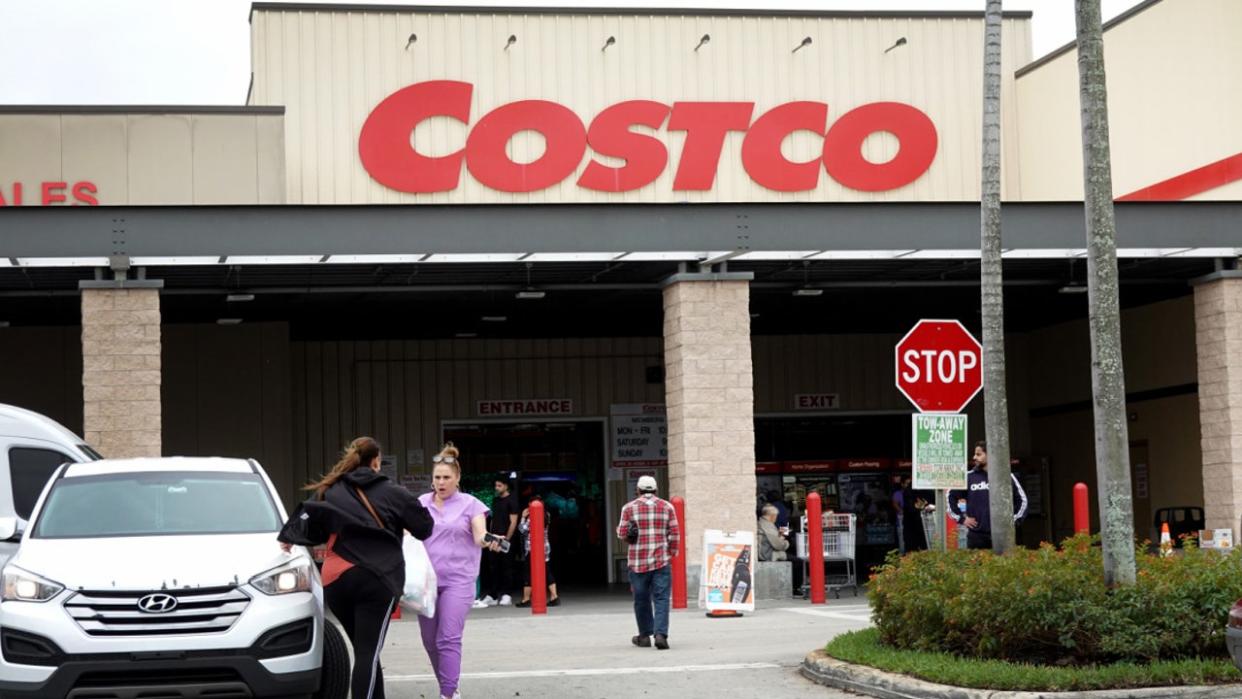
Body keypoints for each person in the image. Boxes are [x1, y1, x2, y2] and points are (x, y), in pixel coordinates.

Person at [278, 437, 434, 699]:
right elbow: (424, 528)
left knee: (366, 653)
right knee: (367, 654)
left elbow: (316, 528)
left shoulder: (331, 489)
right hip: (376, 577)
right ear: (376, 461)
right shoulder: (393, 493)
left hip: (335, 580)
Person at [418, 442, 502, 699]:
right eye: (437, 478)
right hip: (426, 581)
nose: (441, 483)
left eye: (446, 478)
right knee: (430, 642)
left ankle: (447, 693)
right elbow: (406, 535)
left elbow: (479, 535)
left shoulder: (471, 504)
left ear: (457, 479)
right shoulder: (421, 503)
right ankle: (450, 688)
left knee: (448, 638)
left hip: (459, 580)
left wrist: (490, 539)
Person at [616, 475, 680, 651]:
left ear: (638, 490)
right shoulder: (667, 507)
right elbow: (674, 533)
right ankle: (661, 635)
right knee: (661, 598)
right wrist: (672, 552)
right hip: (661, 561)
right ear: (656, 490)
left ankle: (644, 636)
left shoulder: (629, 508)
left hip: (637, 562)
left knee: (641, 599)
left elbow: (622, 533)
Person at [948, 442, 1029, 550]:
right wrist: (961, 519)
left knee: (1003, 566)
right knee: (976, 567)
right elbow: (950, 496)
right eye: (975, 454)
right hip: (976, 537)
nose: (974, 457)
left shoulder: (1006, 476)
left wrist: (1013, 520)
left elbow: (1022, 500)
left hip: (1003, 536)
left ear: (990, 454)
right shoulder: (969, 477)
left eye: (978, 454)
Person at [480, 472, 519, 607]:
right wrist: (489, 536)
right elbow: (493, 519)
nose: (496, 488)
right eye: (495, 485)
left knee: (507, 567)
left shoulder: (512, 501)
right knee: (493, 567)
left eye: (499, 485)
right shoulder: (496, 501)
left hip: (506, 539)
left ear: (506, 486)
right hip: (493, 538)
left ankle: (507, 594)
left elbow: (513, 522)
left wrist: (507, 539)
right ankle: (493, 595)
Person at [515, 496, 560, 607]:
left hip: (532, 548)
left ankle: (526, 599)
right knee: (547, 571)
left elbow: (522, 529)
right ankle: (554, 596)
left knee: (527, 573)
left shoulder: (531, 516)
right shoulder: (547, 515)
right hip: (545, 547)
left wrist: (523, 517)